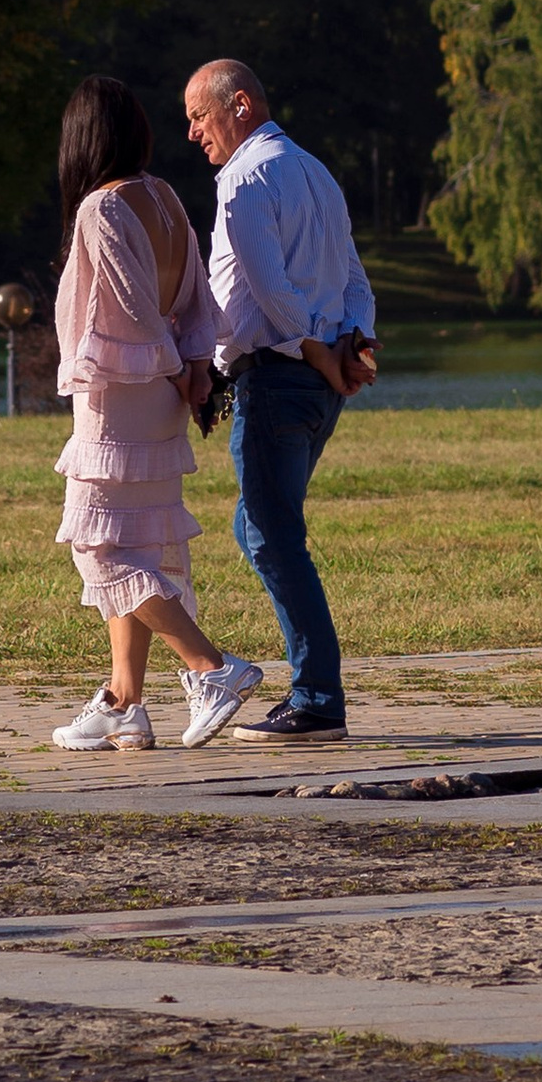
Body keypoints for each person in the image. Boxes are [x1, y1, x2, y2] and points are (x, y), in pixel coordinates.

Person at [44, 73, 264, 753]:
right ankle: (124, 700)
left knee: (98, 548)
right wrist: (193, 367)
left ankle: (211, 666)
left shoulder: (100, 209)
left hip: (121, 398)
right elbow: (197, 295)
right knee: (135, 542)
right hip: (161, 393)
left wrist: (174, 365)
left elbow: (135, 311)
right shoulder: (163, 195)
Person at [184, 56, 377, 740]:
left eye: (198, 116)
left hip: (278, 376)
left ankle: (317, 698)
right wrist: (356, 341)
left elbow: (267, 286)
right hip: (312, 382)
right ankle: (315, 689)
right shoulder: (315, 171)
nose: (192, 133)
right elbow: (354, 279)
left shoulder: (244, 178)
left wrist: (320, 348)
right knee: (256, 526)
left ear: (239, 105)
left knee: (273, 535)